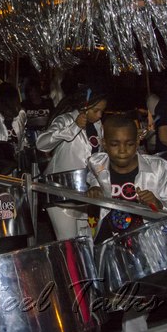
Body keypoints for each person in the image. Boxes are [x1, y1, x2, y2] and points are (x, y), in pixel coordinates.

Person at [86, 115, 167, 332]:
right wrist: (93, 188)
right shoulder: (96, 162)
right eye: (115, 144)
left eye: (129, 144)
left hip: (144, 241)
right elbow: (89, 177)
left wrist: (159, 203)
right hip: (107, 240)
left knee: (138, 300)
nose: (122, 151)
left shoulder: (159, 168)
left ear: (138, 142)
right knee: (95, 298)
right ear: (105, 143)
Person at [35, 87, 107, 240]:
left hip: (84, 191)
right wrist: (74, 127)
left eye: (102, 111)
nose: (100, 115)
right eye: (96, 110)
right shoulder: (65, 119)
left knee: (86, 242)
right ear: (84, 106)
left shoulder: (98, 125)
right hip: (60, 190)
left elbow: (97, 157)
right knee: (68, 243)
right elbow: (42, 144)